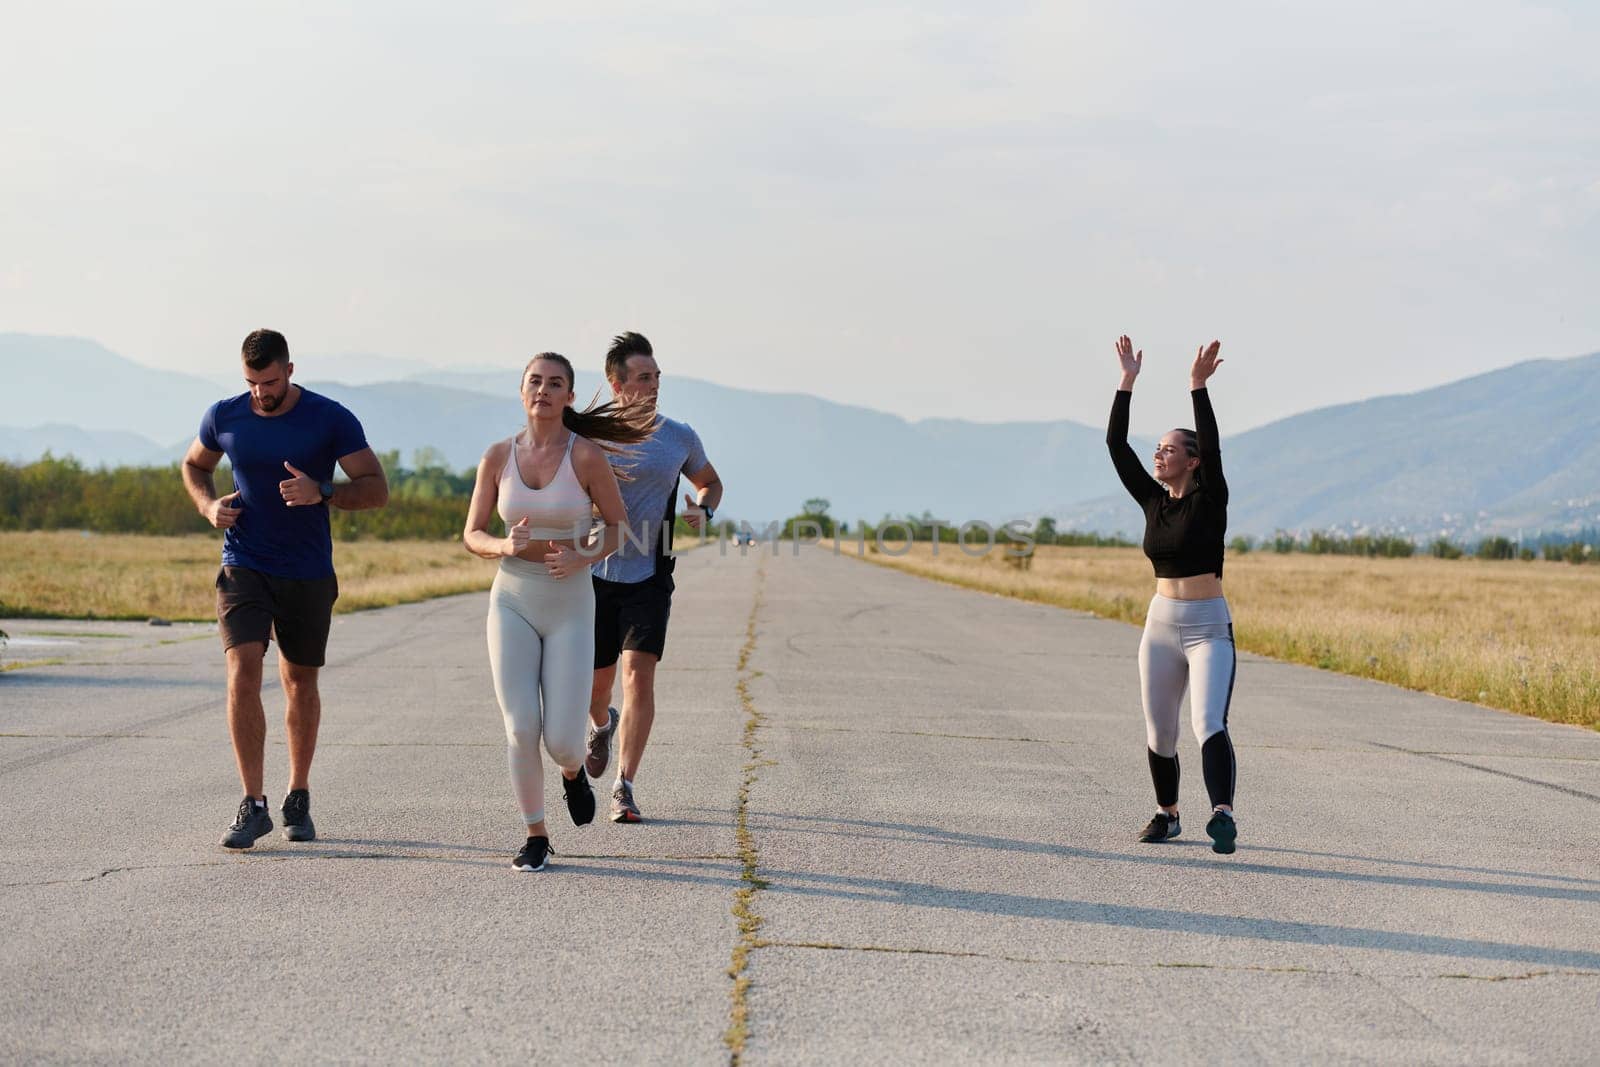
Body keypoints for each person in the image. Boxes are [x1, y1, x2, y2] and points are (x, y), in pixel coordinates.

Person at [182, 328, 389, 849]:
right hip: (243, 562)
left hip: (306, 569)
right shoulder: (223, 415)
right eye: (251, 382)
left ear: (290, 371)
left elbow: (376, 489)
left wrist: (322, 491)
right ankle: (253, 804)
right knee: (242, 670)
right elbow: (194, 465)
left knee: (299, 681)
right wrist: (208, 506)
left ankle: (298, 793)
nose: (260, 393)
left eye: (269, 382)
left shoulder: (330, 417)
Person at [462, 352, 651, 872]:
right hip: (513, 599)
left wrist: (583, 554)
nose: (543, 390)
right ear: (521, 391)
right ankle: (536, 835)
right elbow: (472, 533)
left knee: (564, 743)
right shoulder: (498, 456)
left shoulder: (586, 457)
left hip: (570, 604)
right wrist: (502, 547)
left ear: (569, 396)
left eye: (555, 384)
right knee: (521, 727)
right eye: (534, 381)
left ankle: (572, 773)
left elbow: (617, 526)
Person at [1106, 335, 1240, 854]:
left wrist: (1197, 387)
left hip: (1209, 626)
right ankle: (1168, 814)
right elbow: (1117, 447)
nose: (1158, 455)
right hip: (1161, 625)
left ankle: (1223, 814)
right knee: (1160, 734)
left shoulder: (1211, 500)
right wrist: (1126, 383)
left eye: (1168, 449)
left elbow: (1212, 444)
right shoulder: (1151, 502)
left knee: (1208, 721)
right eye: (1157, 448)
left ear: (1193, 461)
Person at [583, 332, 723, 823]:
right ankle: (601, 725)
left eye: (657, 377)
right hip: (595, 574)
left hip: (651, 573)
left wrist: (702, 511)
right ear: (616, 383)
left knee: (638, 675)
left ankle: (624, 785)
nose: (654, 385)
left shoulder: (678, 436)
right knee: (596, 689)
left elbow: (710, 482)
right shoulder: (589, 436)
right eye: (644, 378)